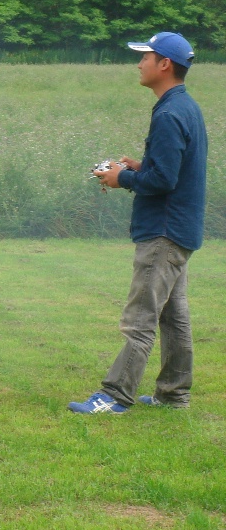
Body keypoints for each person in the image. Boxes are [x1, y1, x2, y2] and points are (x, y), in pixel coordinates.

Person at [69, 32, 207, 414]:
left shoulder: (168, 114)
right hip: (181, 229)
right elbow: (171, 169)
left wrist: (121, 178)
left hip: (163, 231)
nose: (139, 63)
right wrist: (139, 166)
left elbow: (164, 181)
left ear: (164, 64)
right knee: (174, 318)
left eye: (146, 56)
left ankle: (115, 396)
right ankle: (173, 395)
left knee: (140, 318)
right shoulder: (186, 107)